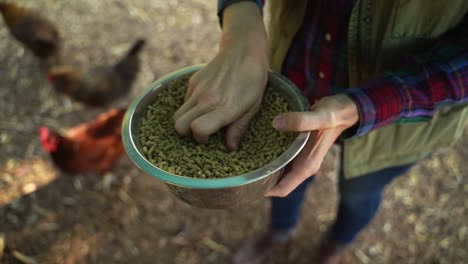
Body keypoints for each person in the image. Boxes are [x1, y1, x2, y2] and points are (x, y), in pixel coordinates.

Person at [174, 1, 468, 263]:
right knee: (285, 177)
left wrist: (361, 107)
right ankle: (281, 230)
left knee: (360, 193)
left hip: (395, 116)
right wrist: (241, 26)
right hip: (298, 74)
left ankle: (336, 243)